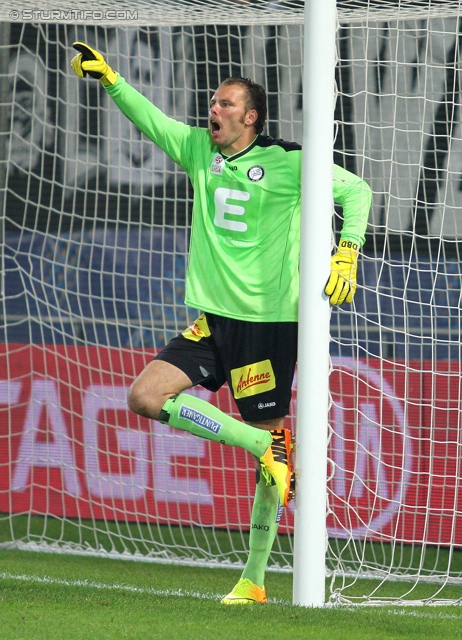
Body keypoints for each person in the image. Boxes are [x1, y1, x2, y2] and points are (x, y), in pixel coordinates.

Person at [71, 41, 372, 605]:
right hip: (214, 321)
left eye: (226, 104)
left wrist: (347, 251)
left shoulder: (288, 160)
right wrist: (111, 79)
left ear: (251, 116)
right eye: (213, 102)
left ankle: (253, 580)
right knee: (145, 395)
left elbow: (356, 190)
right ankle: (260, 443)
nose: (214, 110)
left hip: (267, 324)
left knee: (279, 457)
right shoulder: (196, 151)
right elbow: (151, 119)